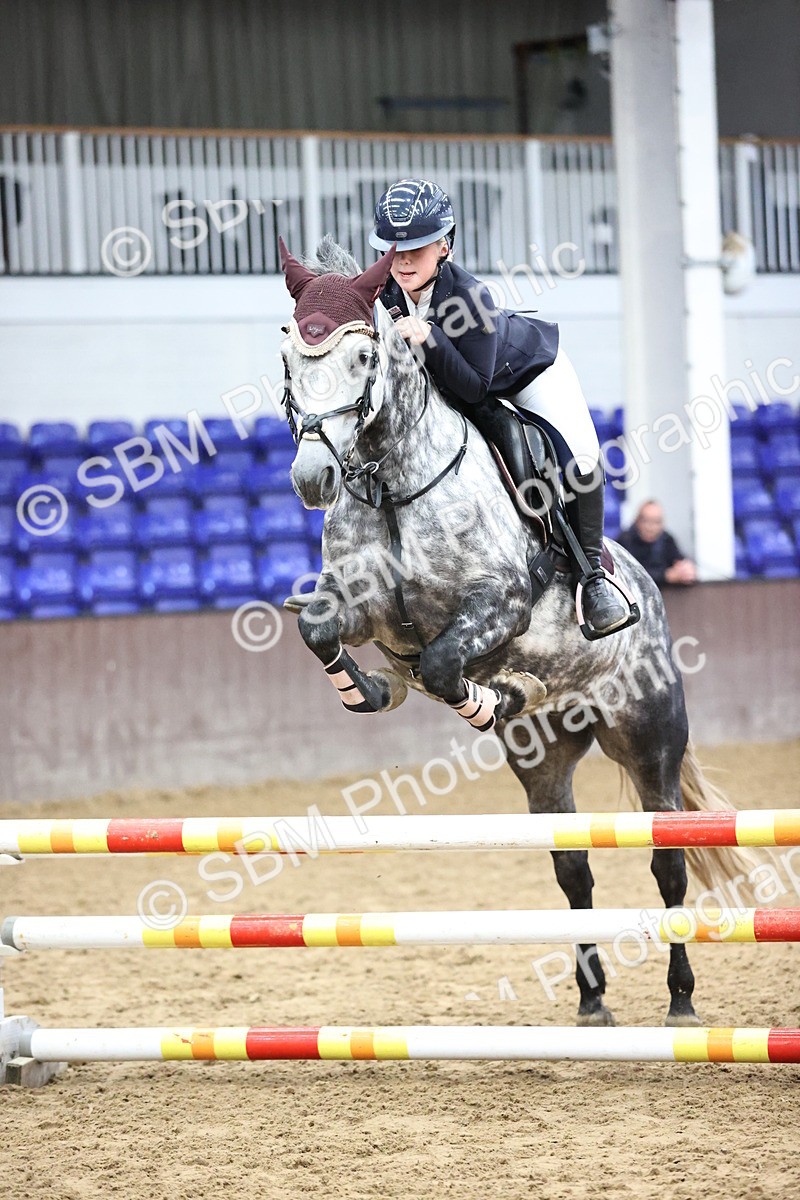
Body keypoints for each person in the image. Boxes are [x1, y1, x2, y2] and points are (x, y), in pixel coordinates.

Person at [369, 177, 630, 636]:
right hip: (457, 383)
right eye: (393, 248)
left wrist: (428, 337)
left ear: (445, 246)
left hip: (524, 374)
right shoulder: (383, 293)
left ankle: (593, 577)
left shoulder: (472, 297)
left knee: (581, 461)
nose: (403, 259)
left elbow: (474, 389)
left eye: (417, 248)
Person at [617, 501, 697, 587]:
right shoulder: (624, 541)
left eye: (656, 522)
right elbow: (628, 574)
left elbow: (678, 560)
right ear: (637, 520)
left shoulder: (666, 539)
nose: (650, 527)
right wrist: (666, 576)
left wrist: (686, 570)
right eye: (646, 521)